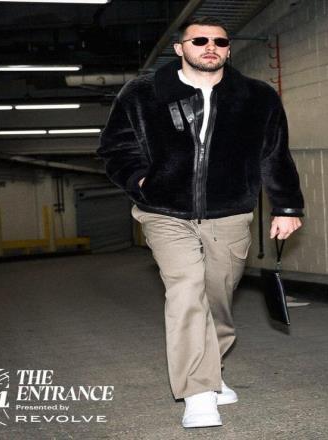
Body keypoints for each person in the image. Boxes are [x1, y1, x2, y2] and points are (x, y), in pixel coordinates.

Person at [97, 16, 304, 429]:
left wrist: (287, 207)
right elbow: (115, 148)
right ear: (180, 48)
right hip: (164, 212)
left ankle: (212, 368)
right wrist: (141, 180)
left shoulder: (257, 97)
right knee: (186, 290)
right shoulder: (142, 94)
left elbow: (274, 154)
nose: (210, 46)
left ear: (228, 49)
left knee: (217, 299)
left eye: (220, 41)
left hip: (229, 213)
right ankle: (198, 393)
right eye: (199, 40)